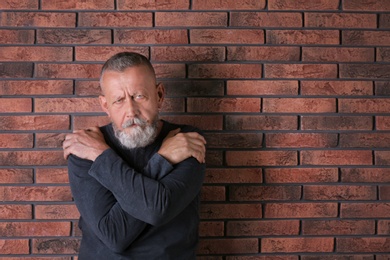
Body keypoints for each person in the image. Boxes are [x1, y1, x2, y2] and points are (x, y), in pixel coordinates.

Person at [62, 52, 207, 259]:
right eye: (119, 100)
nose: (131, 111)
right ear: (105, 106)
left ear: (159, 95)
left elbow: (157, 208)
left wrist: (100, 157)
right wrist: (163, 159)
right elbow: (114, 235)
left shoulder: (186, 141)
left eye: (139, 96)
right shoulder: (85, 148)